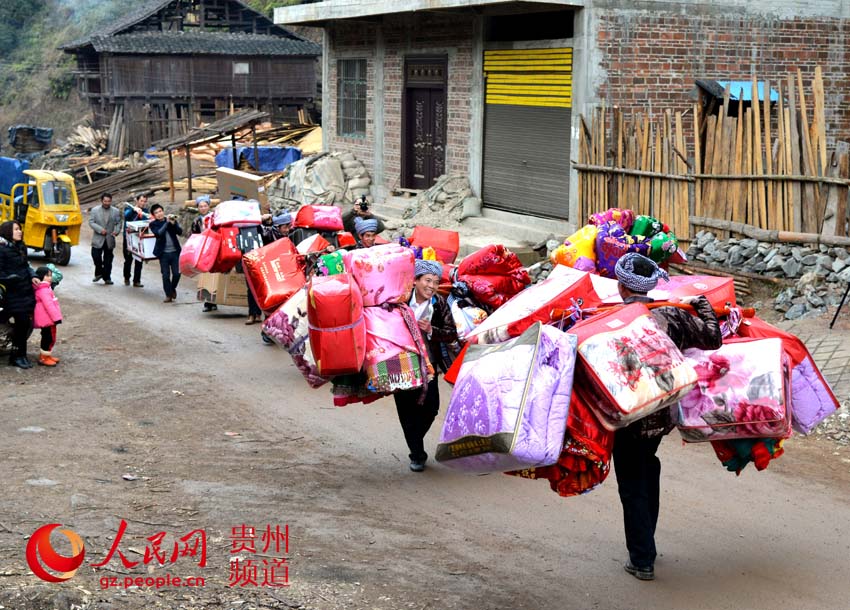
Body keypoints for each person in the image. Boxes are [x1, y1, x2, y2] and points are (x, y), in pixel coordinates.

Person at [611, 253, 722, 582]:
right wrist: (700, 304)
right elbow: (713, 337)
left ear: (620, 286)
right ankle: (648, 545)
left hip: (628, 416)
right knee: (648, 467)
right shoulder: (672, 314)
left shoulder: (611, 320)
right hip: (661, 414)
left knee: (632, 484)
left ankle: (642, 559)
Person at [393, 259, 458, 472]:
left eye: (436, 282)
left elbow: (451, 333)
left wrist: (431, 330)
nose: (431, 286)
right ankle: (417, 454)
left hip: (429, 364)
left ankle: (414, 437)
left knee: (431, 407)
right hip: (400, 361)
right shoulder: (399, 299)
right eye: (427, 280)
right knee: (406, 409)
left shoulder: (438, 303)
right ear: (415, 280)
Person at [0, 221, 39, 368]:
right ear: (8, 232)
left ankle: (20, 355)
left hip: (25, 290)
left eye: (20, 229)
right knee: (22, 322)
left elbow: (26, 266)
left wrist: (33, 275)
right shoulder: (2, 249)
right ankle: (16, 356)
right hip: (12, 292)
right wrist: (9, 279)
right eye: (16, 229)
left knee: (24, 324)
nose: (19, 231)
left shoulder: (21, 246)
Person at [149, 204, 183, 303]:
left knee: (177, 273)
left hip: (175, 252)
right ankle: (168, 295)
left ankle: (172, 288)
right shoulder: (153, 224)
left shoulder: (171, 220)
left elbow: (180, 232)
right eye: (156, 213)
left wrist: (173, 223)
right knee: (165, 275)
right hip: (163, 253)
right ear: (154, 215)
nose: (159, 214)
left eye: (160, 211)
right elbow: (159, 233)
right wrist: (167, 223)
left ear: (163, 211)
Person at [89, 192, 122, 285]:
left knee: (108, 260)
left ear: (111, 201)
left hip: (109, 238)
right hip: (98, 238)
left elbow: (118, 223)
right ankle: (99, 272)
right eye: (105, 201)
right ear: (101, 201)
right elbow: (91, 222)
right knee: (96, 256)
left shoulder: (115, 211)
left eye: (108, 201)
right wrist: (100, 230)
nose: (106, 203)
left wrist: (116, 231)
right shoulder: (95, 210)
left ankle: (107, 277)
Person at [33, 266, 63, 367]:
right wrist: (56, 318)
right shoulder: (43, 290)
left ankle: (47, 355)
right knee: (48, 337)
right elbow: (49, 305)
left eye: (50, 275)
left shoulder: (45, 288)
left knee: (49, 337)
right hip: (47, 319)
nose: (50, 277)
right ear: (41, 276)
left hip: (47, 318)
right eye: (47, 275)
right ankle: (43, 358)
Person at [192, 196, 217, 312]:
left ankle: (215, 299)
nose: (203, 208)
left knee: (215, 274)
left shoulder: (215, 218)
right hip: (203, 249)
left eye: (205, 206)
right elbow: (194, 236)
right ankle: (207, 301)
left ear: (209, 206)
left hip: (214, 247)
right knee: (205, 274)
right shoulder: (196, 221)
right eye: (200, 206)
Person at [123, 193, 150, 287]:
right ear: (137, 201)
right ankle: (127, 277)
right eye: (141, 201)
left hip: (140, 238)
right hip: (129, 238)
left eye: (144, 201)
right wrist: (133, 210)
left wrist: (141, 214)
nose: (143, 203)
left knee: (139, 260)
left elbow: (146, 221)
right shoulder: (129, 209)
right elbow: (126, 216)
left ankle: (136, 280)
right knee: (128, 260)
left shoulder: (146, 211)